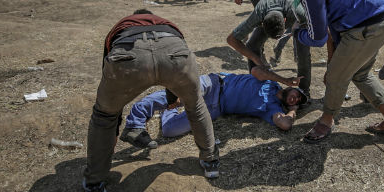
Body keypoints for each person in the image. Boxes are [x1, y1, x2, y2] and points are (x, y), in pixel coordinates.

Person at [82, 9, 219, 192]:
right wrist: (173, 100)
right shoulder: (166, 23)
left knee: (103, 115)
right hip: (174, 50)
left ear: (134, 17)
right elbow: (174, 58)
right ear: (151, 17)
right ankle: (211, 161)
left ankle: (95, 183)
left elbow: (109, 76)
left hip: (128, 55)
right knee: (195, 106)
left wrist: (112, 126)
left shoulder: (121, 25)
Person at [271, 0, 384, 143]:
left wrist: (296, 33)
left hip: (368, 26)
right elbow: (334, 26)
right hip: (382, 21)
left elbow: (318, 38)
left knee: (336, 77)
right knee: (360, 73)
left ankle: (326, 121)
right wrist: (331, 60)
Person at [122, 67, 307, 144]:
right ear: (292, 89)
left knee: (170, 130)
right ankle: (136, 119)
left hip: (214, 109)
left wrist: (292, 111)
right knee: (181, 94)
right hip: (215, 84)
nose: (296, 99)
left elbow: (284, 124)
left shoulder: (273, 108)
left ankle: (170, 112)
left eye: (298, 101)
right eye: (297, 95)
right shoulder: (270, 82)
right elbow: (256, 70)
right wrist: (284, 79)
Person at [226, 0, 312, 100]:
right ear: (261, 23)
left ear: (285, 20)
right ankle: (256, 85)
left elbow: (314, 25)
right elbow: (231, 39)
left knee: (303, 52)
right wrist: (255, 58)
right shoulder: (258, 13)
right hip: (270, 11)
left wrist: (296, 30)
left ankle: (304, 90)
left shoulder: (297, 9)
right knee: (252, 45)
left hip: (296, 12)